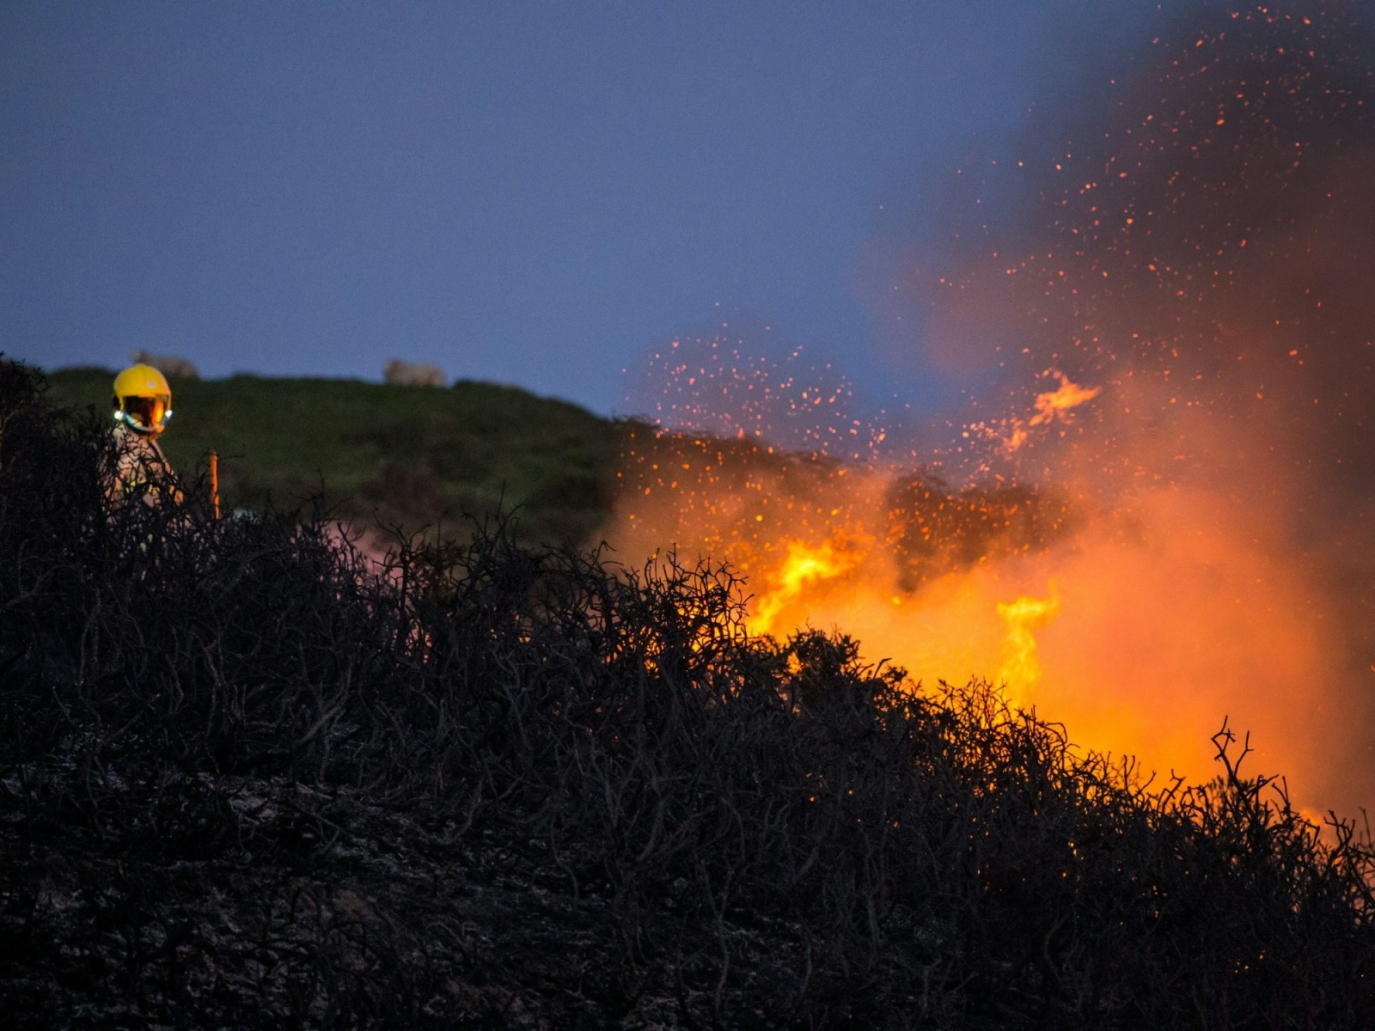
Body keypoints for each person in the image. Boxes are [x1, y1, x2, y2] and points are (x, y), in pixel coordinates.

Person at [106, 362, 181, 507]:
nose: (148, 414)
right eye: (139, 407)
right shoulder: (119, 441)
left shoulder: (150, 444)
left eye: (154, 406)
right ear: (120, 405)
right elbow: (105, 495)